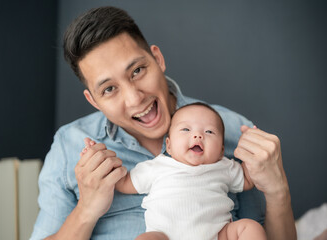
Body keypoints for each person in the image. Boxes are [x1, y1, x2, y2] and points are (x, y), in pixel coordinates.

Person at [30, 6, 296, 240]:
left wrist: (278, 189)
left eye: (137, 71)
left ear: (157, 59)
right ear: (94, 100)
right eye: (109, 89)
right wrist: (86, 209)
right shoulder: (69, 146)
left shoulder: (233, 131)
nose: (135, 99)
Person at [82, 102, 267, 240]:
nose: (197, 135)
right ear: (168, 146)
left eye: (209, 132)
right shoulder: (158, 166)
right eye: (186, 129)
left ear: (220, 150)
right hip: (165, 236)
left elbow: (248, 181)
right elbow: (124, 183)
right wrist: (100, 158)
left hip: (218, 235)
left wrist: (253, 151)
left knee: (249, 228)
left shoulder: (224, 166)